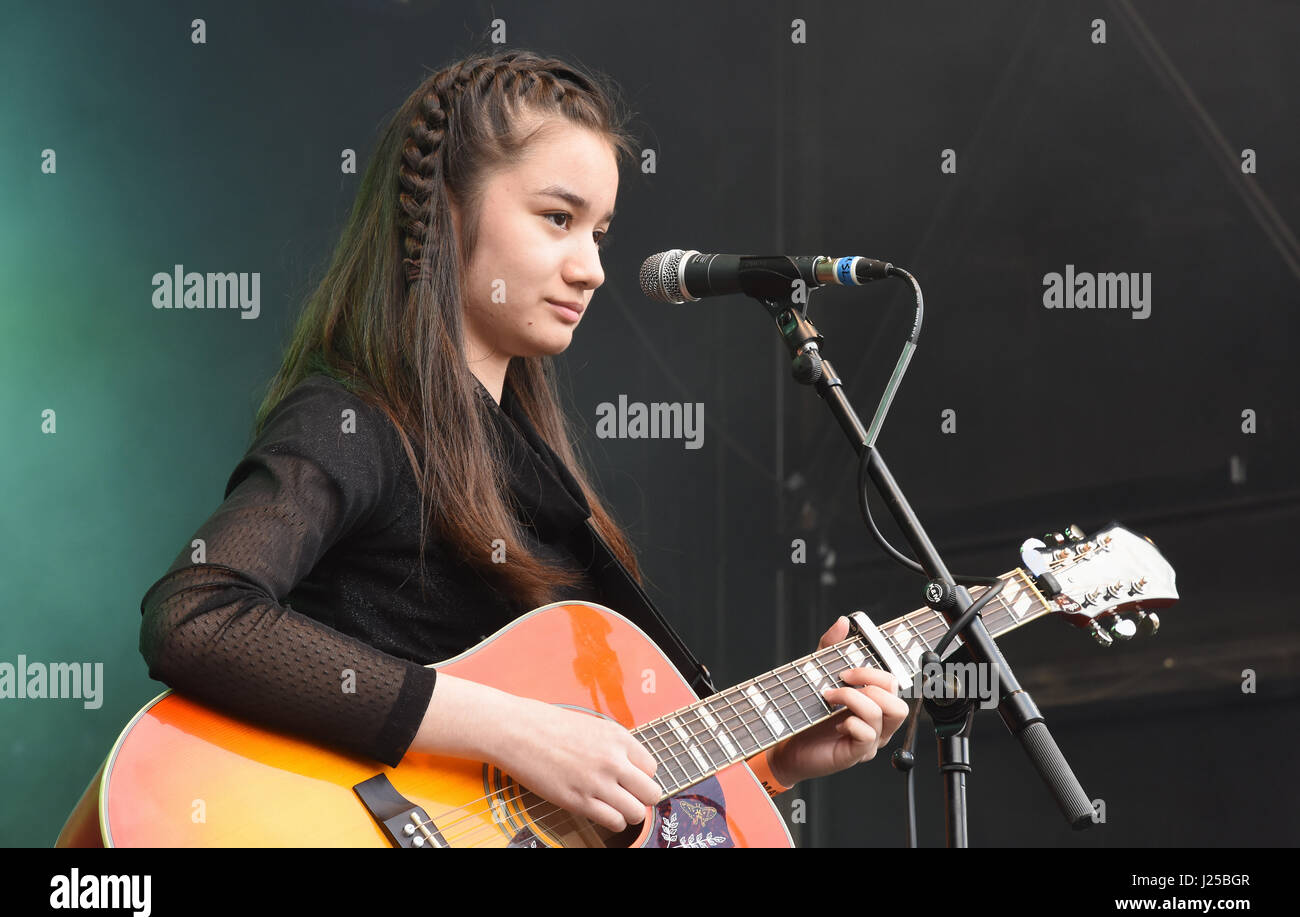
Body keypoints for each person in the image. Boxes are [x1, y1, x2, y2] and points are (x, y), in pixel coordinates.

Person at [138, 48, 908, 840]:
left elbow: (552, 800)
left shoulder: (532, 474)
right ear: (446, 211)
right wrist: (515, 731)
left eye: (601, 233)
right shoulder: (354, 420)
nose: (594, 270)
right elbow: (197, 615)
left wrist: (775, 761)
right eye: (557, 218)